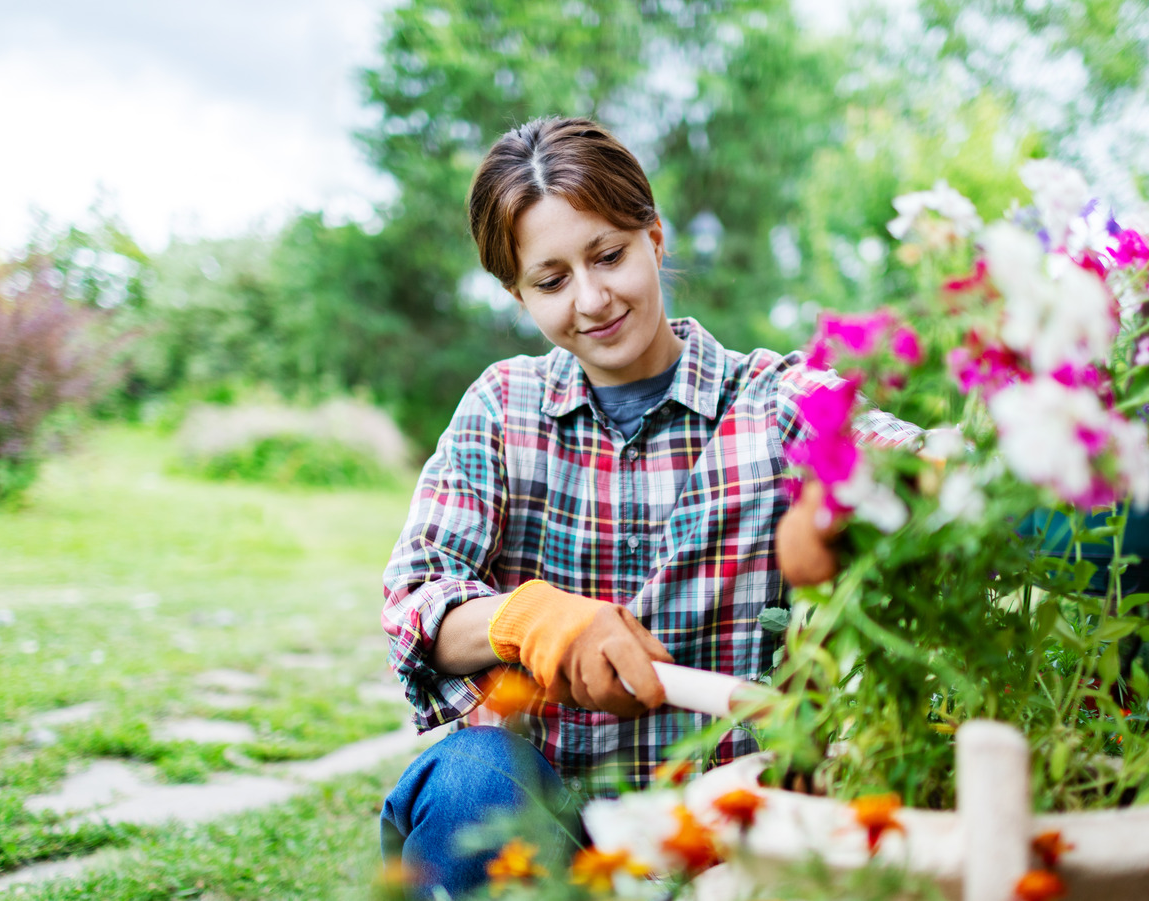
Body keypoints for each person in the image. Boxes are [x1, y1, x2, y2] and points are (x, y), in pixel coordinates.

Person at [378, 116, 918, 898]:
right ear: (518, 293)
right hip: (545, 844)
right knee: (469, 779)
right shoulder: (503, 407)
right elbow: (413, 602)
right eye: (552, 279)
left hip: (727, 842)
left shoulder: (771, 402)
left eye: (609, 255)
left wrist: (946, 467)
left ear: (654, 238)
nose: (592, 299)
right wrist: (525, 618)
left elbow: (912, 457)